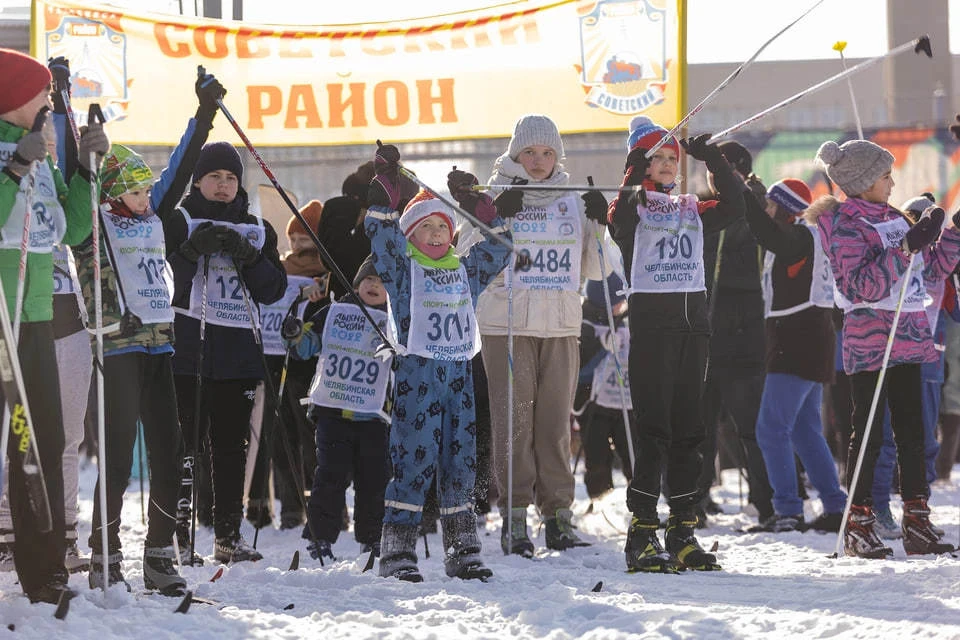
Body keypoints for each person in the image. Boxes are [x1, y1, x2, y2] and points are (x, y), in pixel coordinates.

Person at [364, 147, 511, 582]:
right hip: (418, 381)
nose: (434, 234)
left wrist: (477, 205)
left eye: (442, 226)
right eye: (424, 227)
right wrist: (387, 190)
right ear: (410, 236)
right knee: (413, 461)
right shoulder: (403, 271)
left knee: (460, 462)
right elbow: (381, 237)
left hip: (459, 382)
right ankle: (397, 550)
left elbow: (500, 247)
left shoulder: (465, 270)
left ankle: (462, 548)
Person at [608, 117, 745, 573]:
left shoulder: (690, 207)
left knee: (690, 431)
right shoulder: (634, 205)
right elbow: (619, 219)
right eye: (658, 158)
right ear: (642, 163)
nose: (668, 164)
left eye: (673, 158)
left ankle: (683, 528)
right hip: (654, 332)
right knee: (655, 432)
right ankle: (642, 531)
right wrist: (633, 169)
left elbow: (737, 206)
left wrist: (714, 160)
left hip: (694, 331)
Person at [0, 47, 108, 604]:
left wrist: (87, 169)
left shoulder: (42, 153)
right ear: (14, 98)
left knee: (39, 440)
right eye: (41, 92)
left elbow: (73, 230)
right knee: (17, 439)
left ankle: (44, 569)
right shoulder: (18, 152)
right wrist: (12, 169)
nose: (49, 101)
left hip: (38, 314)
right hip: (3, 313)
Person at [814, 138, 957, 557]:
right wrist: (907, 246)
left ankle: (917, 519)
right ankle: (859, 521)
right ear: (862, 181)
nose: (893, 183)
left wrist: (951, 235)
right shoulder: (846, 224)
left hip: (909, 338)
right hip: (872, 342)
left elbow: (930, 270)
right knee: (870, 435)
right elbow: (860, 285)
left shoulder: (893, 216)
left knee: (914, 434)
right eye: (885, 176)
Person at [477, 114, 607, 557]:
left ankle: (557, 517)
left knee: (554, 425)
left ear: (558, 156)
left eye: (547, 152)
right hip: (507, 323)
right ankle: (514, 517)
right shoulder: (493, 193)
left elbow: (598, 268)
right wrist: (496, 217)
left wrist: (600, 223)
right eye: (529, 152)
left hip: (561, 323)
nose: (538, 161)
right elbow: (465, 252)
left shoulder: (572, 198)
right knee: (514, 423)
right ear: (516, 154)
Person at [164, 134, 287, 564]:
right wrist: (188, 252)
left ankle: (228, 536)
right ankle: (176, 535)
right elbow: (161, 286)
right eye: (214, 176)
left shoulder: (257, 229)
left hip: (238, 354)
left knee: (232, 449)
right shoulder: (178, 221)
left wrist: (250, 257)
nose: (222, 185)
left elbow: (274, 290)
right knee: (184, 446)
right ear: (197, 181)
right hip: (187, 350)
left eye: (231, 178)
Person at [744, 177, 847, 533]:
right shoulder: (805, 236)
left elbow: (764, 230)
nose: (766, 210)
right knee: (805, 430)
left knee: (771, 429)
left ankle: (788, 510)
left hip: (796, 339)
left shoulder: (799, 237)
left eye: (771, 204)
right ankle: (835, 505)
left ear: (785, 209)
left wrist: (741, 192)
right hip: (810, 337)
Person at [284, 255, 391, 561]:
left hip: (373, 416)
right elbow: (306, 346)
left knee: (374, 480)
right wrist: (295, 334)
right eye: (368, 279)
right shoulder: (335, 312)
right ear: (356, 284)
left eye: (382, 282)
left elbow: (405, 358)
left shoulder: (393, 320)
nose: (374, 285)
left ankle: (373, 538)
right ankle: (319, 537)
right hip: (333, 412)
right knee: (330, 476)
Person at [698, 140, 773, 527]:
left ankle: (765, 500)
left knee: (750, 424)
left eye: (720, 171)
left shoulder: (755, 203)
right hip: (708, 330)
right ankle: (695, 498)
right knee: (701, 424)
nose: (714, 179)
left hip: (743, 331)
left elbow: (741, 262)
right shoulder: (707, 205)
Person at [247, 199, 328, 531]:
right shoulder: (280, 271)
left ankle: (324, 505)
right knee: (280, 439)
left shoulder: (326, 273)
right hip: (274, 360)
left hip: (309, 366)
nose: (296, 245)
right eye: (292, 238)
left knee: (312, 440)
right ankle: (291, 506)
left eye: (304, 238)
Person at [575, 273, 635, 503]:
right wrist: (602, 348)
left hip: (625, 402)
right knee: (597, 456)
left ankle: (639, 497)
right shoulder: (586, 325)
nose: (623, 305)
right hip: (594, 404)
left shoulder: (626, 323)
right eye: (618, 300)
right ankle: (599, 498)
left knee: (633, 453)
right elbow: (580, 370)